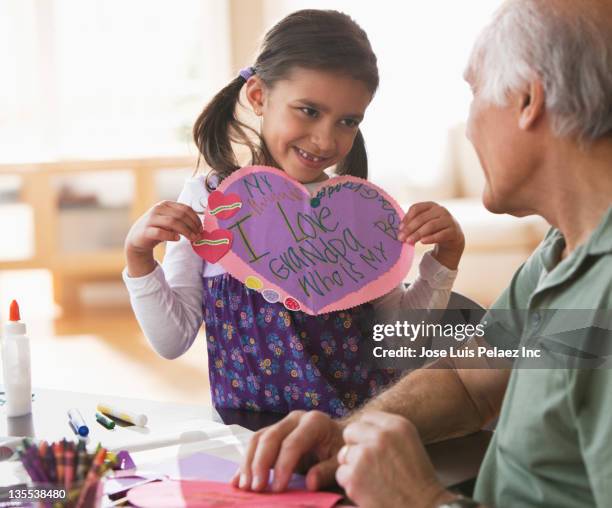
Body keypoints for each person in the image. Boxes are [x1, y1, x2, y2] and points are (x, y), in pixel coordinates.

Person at [233, 0, 612, 506]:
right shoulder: (562, 253)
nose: (471, 127)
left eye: (474, 96)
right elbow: (471, 381)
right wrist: (347, 431)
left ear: (527, 100)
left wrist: (422, 499)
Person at [123, 9, 465, 418]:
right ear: (257, 96)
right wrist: (139, 259)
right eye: (309, 110)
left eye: (348, 121)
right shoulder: (208, 203)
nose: (325, 139)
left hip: (353, 441)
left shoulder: (361, 211)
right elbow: (172, 340)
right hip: (249, 446)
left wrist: (444, 261)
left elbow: (398, 345)